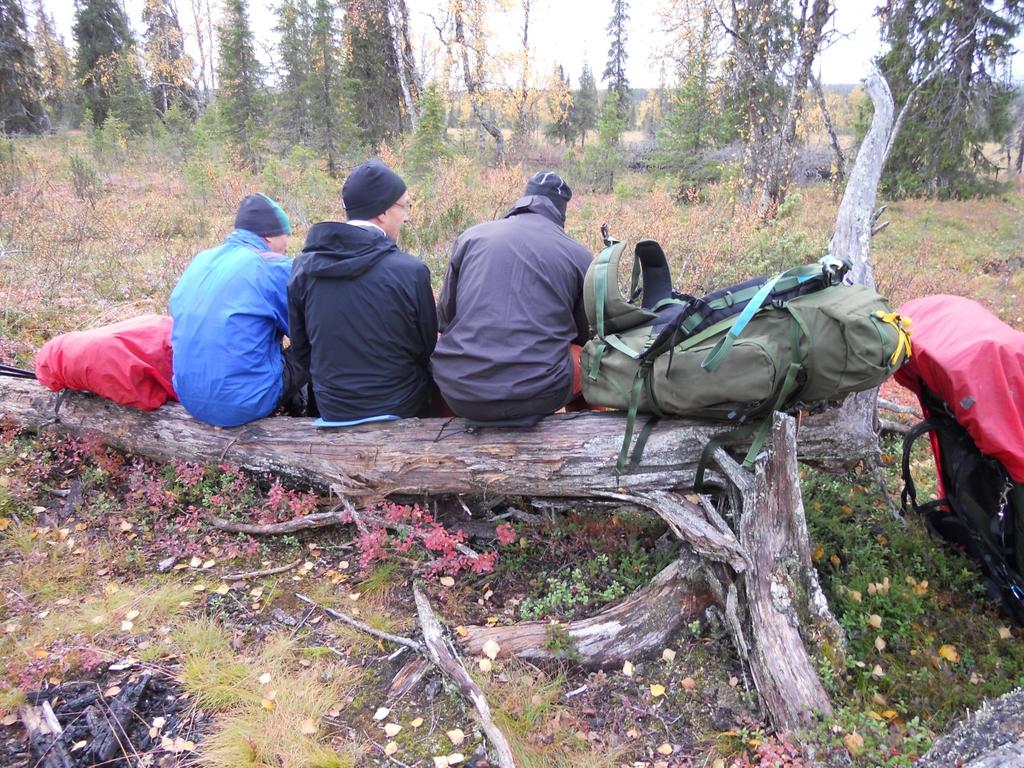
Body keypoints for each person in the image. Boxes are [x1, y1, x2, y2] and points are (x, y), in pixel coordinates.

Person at [431, 171, 593, 422]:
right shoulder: (578, 254)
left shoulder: (471, 237)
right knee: (590, 357)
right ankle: (587, 442)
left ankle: (444, 436)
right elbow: (586, 335)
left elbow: (445, 320)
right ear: (562, 211)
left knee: (446, 351)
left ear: (524, 199)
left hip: (461, 393)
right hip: (540, 393)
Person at [288, 159, 437, 421]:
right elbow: (425, 348)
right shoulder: (411, 271)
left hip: (331, 408)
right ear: (382, 212)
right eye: (404, 206)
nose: (407, 215)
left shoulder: (304, 268)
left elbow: (301, 349)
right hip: (401, 407)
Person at [170, 193, 306, 427]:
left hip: (188, 397)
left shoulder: (202, 260)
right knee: (313, 348)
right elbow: (306, 331)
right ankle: (304, 416)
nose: (287, 244)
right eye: (286, 235)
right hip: (243, 403)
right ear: (269, 235)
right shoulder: (274, 266)